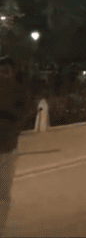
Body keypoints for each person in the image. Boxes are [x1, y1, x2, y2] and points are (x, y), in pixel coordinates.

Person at [0, 57, 33, 235]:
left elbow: (26, 112)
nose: (3, 73)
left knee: (3, 190)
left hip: (7, 146)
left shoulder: (19, 91)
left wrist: (14, 126)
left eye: (7, 70)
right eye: (1, 70)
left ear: (13, 72)